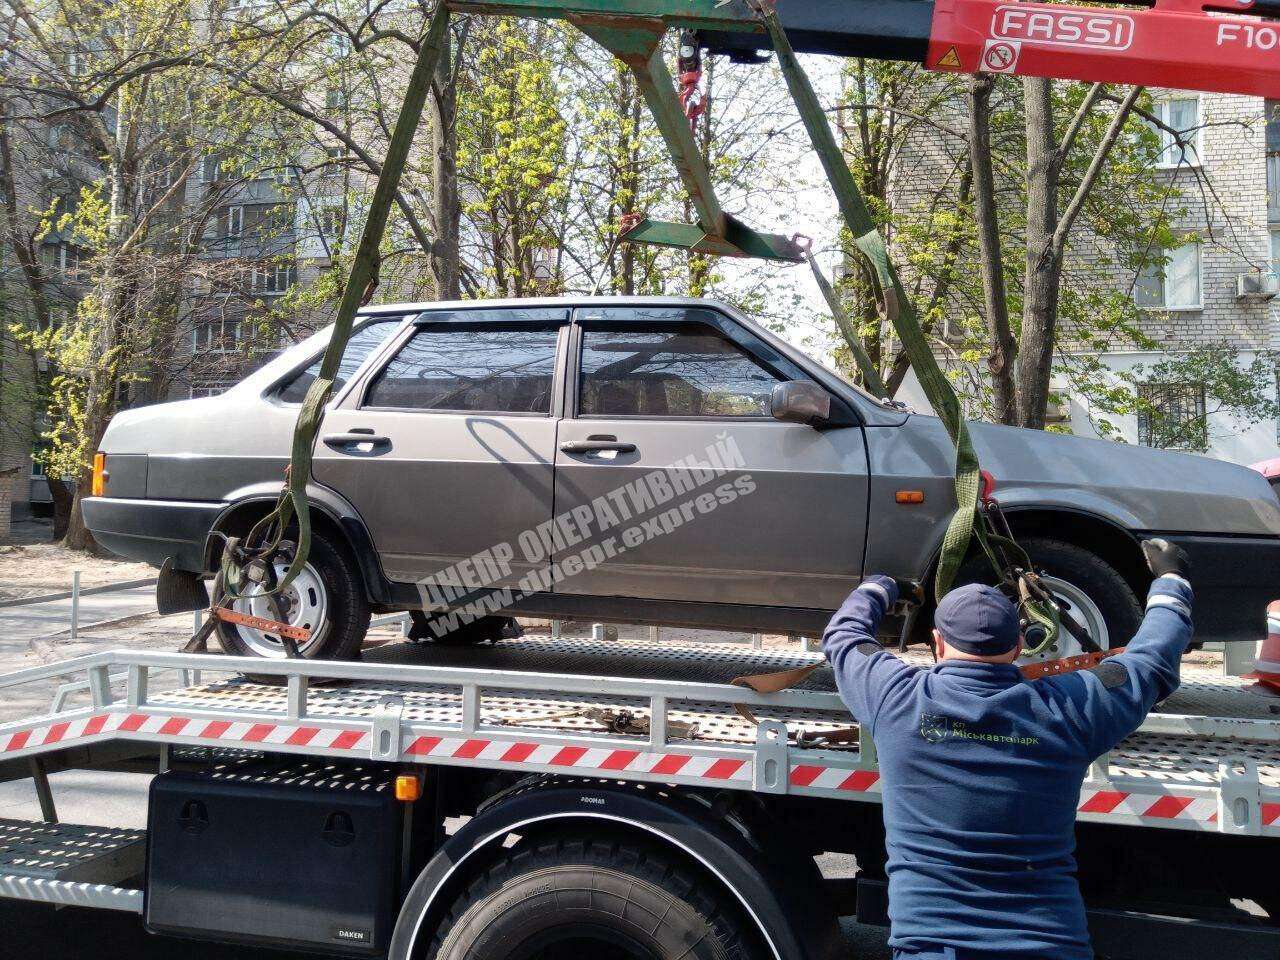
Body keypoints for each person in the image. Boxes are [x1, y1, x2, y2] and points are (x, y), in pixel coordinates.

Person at [822, 539, 1193, 960]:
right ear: (1019, 645)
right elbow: (1151, 660)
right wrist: (1170, 580)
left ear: (937, 643)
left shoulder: (896, 699)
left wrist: (880, 586)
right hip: (1050, 947)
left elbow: (845, 637)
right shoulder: (1071, 708)